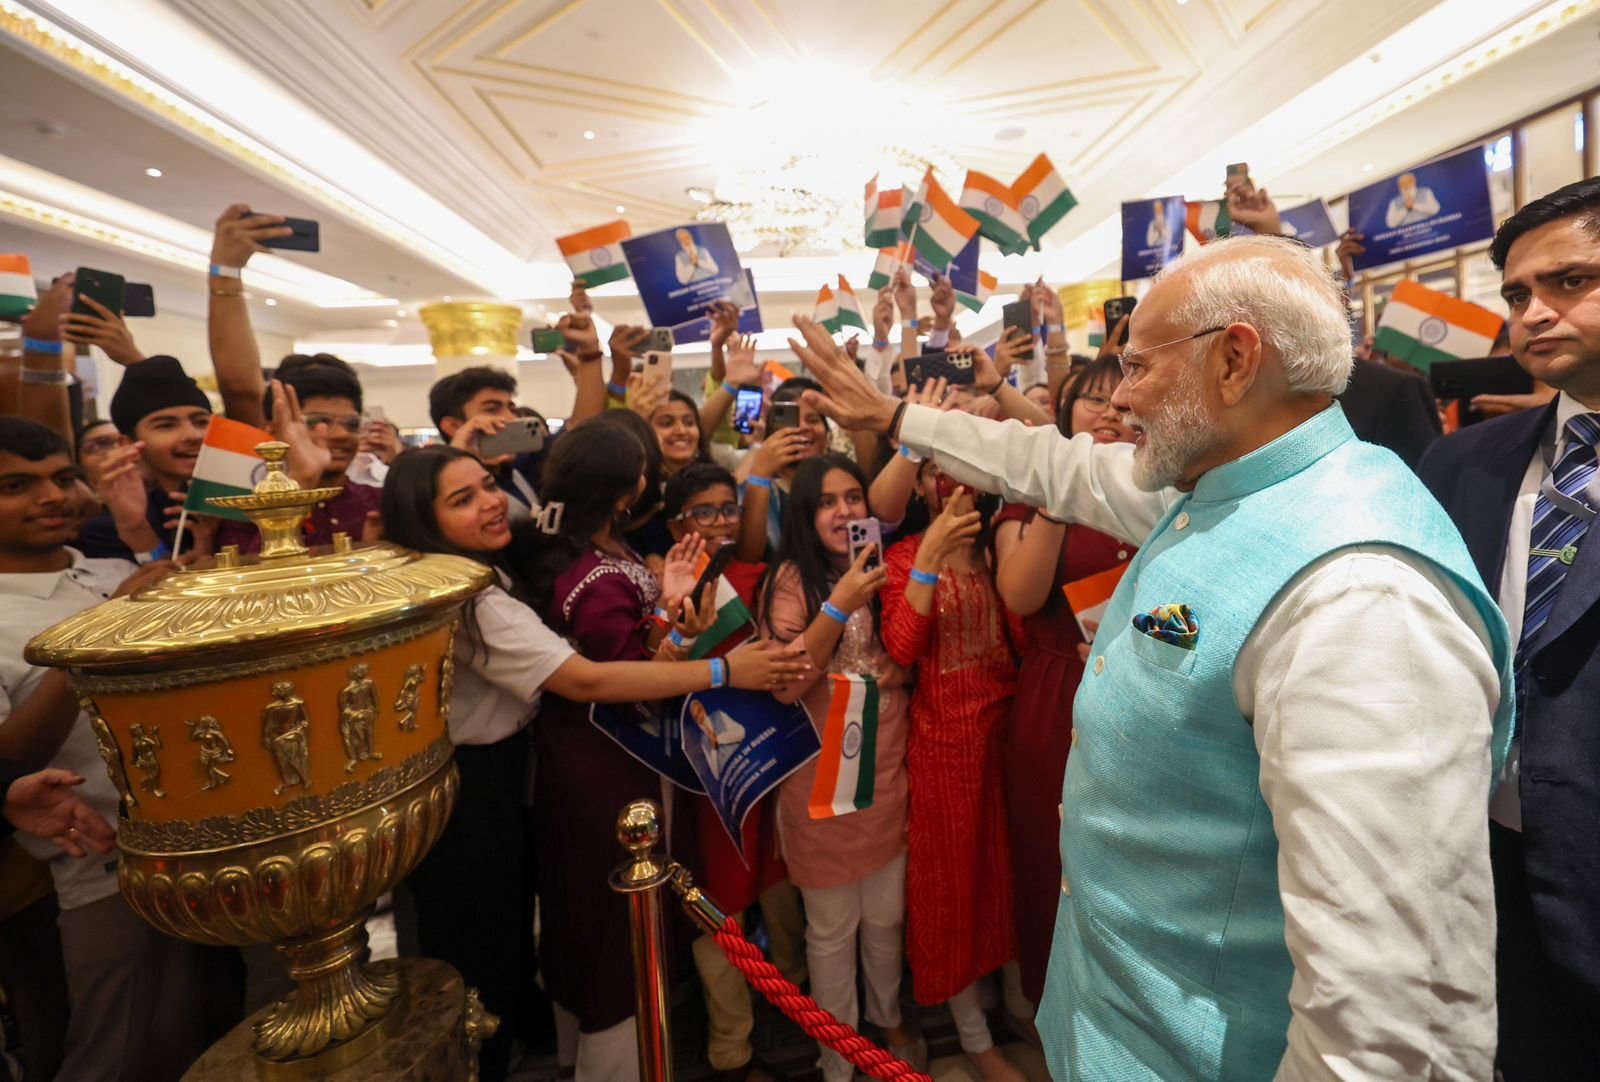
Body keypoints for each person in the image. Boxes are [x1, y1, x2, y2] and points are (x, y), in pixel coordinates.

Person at [791, 233, 1514, 1080]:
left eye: (1140, 366)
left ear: (1236, 362)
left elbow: (1394, 1026)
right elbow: (1057, 466)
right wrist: (898, 419)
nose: (1121, 396)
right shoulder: (1222, 485)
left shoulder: (1362, 593)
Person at [382, 443, 805, 1082]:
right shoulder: (476, 596)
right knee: (596, 937)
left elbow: (635, 657)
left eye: (489, 485)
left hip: (555, 759)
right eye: (462, 499)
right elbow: (591, 681)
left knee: (579, 927)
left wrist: (671, 615)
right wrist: (725, 667)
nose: (493, 502)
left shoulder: (506, 572)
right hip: (557, 768)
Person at [519, 422, 801, 1081]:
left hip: (622, 750)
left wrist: (673, 620)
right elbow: (623, 686)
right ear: (628, 489)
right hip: (608, 762)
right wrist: (705, 655)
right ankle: (614, 1064)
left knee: (614, 914)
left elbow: (645, 658)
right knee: (615, 920)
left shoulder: (596, 551)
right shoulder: (592, 574)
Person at [1418, 176, 1600, 1080]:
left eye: (1568, 282)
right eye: (1519, 294)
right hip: (1483, 866)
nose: (1534, 312)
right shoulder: (1461, 464)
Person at [0, 416, 218, 1082]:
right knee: (114, 1049)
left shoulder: (103, 570)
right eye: (17, 485)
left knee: (198, 1029)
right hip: (97, 862)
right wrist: (99, 634)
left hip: (190, 835)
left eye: (63, 479)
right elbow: (10, 756)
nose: (53, 497)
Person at [759, 455, 919, 1082]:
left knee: (885, 915)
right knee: (830, 929)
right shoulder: (793, 580)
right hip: (820, 780)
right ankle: (840, 1055)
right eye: (827, 502)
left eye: (853, 497)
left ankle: (889, 1019)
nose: (846, 511)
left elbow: (908, 656)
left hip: (887, 770)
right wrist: (840, 603)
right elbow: (786, 683)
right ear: (805, 514)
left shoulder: (891, 569)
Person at [992, 356, 1137, 1014]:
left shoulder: (1162, 485)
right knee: (1053, 860)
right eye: (1090, 400)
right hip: (1059, 694)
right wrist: (1060, 488)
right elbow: (1020, 595)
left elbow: (1196, 611)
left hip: (1146, 688)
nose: (1109, 411)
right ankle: (1056, 1015)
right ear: (1062, 412)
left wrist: (1142, 634)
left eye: (1121, 398)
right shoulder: (1030, 493)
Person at [662, 462, 805, 1082]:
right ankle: (731, 1047)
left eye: (727, 509)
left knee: (781, 878)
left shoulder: (759, 572)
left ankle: (796, 1001)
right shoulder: (665, 585)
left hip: (778, 754)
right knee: (723, 901)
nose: (720, 522)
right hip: (712, 768)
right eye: (704, 512)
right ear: (677, 523)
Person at [880, 470, 1023, 1082]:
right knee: (952, 892)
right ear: (922, 488)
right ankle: (973, 1037)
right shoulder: (906, 555)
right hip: (944, 746)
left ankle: (1019, 1003)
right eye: (938, 473)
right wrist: (932, 554)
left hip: (1008, 736)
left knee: (1009, 880)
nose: (953, 484)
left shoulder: (1001, 543)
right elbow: (902, 647)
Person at [75, 355, 213, 561]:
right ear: (127, 443)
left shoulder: (246, 503)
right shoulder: (107, 529)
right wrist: (136, 529)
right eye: (166, 425)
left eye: (201, 422)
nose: (194, 435)